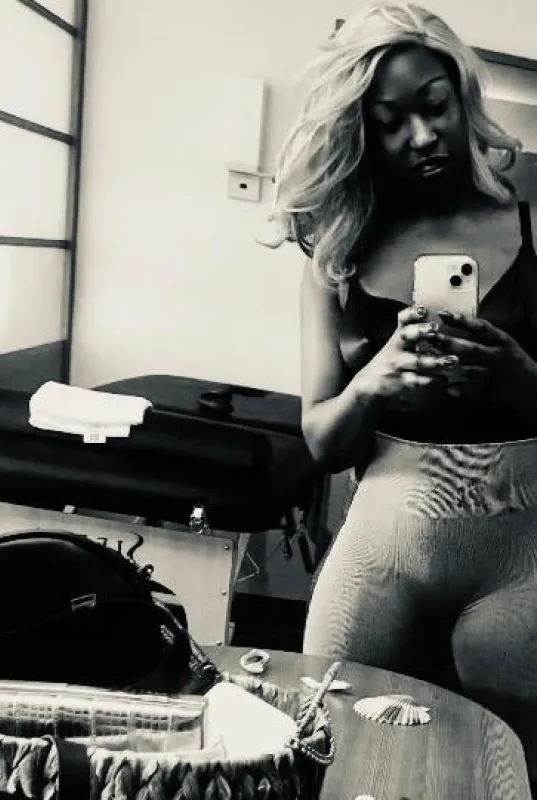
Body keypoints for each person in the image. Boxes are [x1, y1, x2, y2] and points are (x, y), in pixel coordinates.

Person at [268, 0, 537, 791]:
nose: (421, 136)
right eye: (390, 121)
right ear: (360, 129)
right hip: (383, 553)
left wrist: (517, 378)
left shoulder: (530, 215)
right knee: (323, 760)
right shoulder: (339, 249)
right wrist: (375, 384)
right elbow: (324, 442)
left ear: (462, 97)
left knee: (505, 781)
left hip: (520, 559)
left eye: (434, 106)